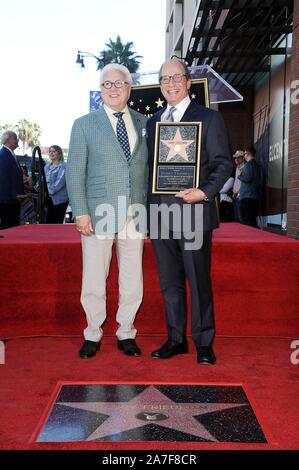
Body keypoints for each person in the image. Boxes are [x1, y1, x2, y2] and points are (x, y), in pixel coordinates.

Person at [147, 59, 232, 365]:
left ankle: (204, 342)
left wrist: (205, 192)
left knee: (198, 280)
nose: (170, 83)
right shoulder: (153, 121)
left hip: (194, 213)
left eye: (176, 77)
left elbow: (224, 164)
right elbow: (148, 171)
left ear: (187, 82)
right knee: (169, 283)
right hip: (159, 215)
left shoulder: (208, 118)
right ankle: (176, 339)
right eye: (164, 79)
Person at [66, 63, 148, 359]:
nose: (113, 89)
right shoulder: (84, 124)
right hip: (98, 211)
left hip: (135, 211)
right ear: (101, 91)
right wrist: (81, 212)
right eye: (107, 84)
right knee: (94, 276)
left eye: (119, 83)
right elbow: (74, 172)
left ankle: (126, 332)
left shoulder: (144, 122)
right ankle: (93, 333)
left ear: (129, 88)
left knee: (132, 276)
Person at [0, 131, 24, 229]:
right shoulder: (3, 155)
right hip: (7, 201)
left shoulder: (10, 154)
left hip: (13, 201)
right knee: (9, 228)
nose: (17, 140)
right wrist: (14, 195)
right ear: (8, 140)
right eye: (15, 138)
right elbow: (3, 178)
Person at [44, 145, 69, 223]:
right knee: (48, 222)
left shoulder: (63, 166)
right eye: (50, 151)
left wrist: (49, 191)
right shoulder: (46, 167)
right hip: (48, 199)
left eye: (54, 151)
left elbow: (60, 182)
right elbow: (42, 181)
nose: (51, 153)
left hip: (60, 200)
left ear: (59, 154)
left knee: (56, 222)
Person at [238, 146, 261, 228]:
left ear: (248, 154)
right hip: (254, 196)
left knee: (247, 221)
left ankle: (251, 239)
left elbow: (247, 179)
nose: (244, 156)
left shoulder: (248, 165)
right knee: (251, 220)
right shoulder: (257, 165)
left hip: (247, 196)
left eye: (244, 154)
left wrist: (240, 176)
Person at [232, 150, 245, 222]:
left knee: (241, 217)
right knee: (237, 217)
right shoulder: (237, 167)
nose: (236, 159)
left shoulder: (244, 167)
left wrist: (239, 192)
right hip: (235, 194)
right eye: (235, 158)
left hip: (240, 194)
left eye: (238, 157)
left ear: (243, 158)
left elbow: (244, 181)